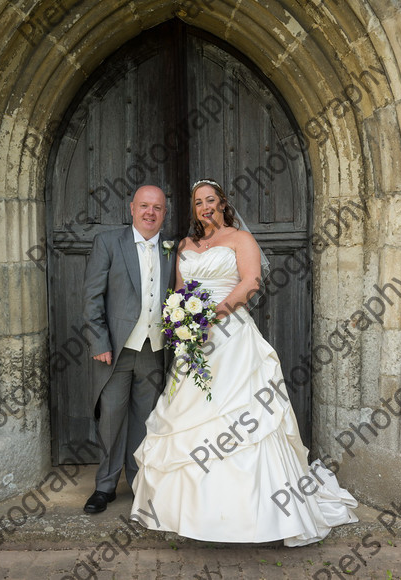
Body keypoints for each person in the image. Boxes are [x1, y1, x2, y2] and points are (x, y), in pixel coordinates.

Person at [129, 179, 358, 545]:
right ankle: (192, 514)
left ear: (223, 204)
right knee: (190, 417)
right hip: (195, 342)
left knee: (244, 419)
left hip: (233, 336)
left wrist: (213, 314)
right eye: (198, 202)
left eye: (211, 201)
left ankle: (256, 514)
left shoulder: (240, 239)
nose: (205, 207)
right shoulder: (186, 245)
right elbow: (177, 291)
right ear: (194, 209)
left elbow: (251, 282)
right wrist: (183, 319)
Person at [82, 185, 176, 514]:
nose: (151, 212)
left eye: (158, 208)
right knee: (110, 419)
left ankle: (139, 483)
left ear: (165, 213)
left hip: (155, 350)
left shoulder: (172, 249)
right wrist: (99, 342)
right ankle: (105, 486)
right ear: (132, 208)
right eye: (145, 206)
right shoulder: (108, 243)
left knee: (145, 420)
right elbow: (92, 296)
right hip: (116, 351)